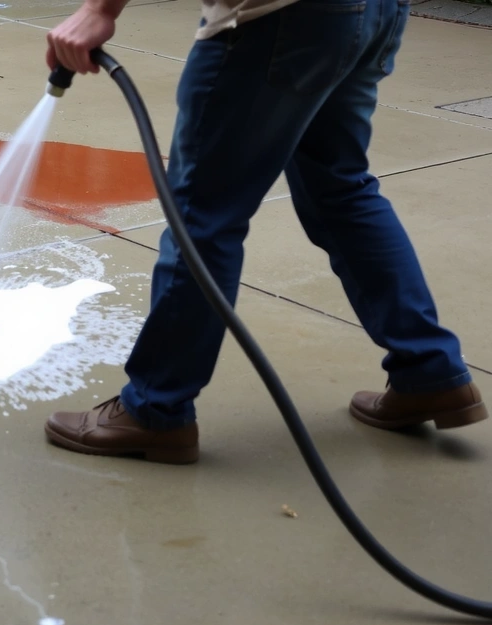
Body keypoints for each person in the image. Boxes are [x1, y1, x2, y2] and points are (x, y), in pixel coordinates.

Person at [42, 0, 487, 464]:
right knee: (341, 189)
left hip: (277, 19)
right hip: (373, 11)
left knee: (202, 214)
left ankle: (155, 409)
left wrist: (99, 9)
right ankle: (429, 370)